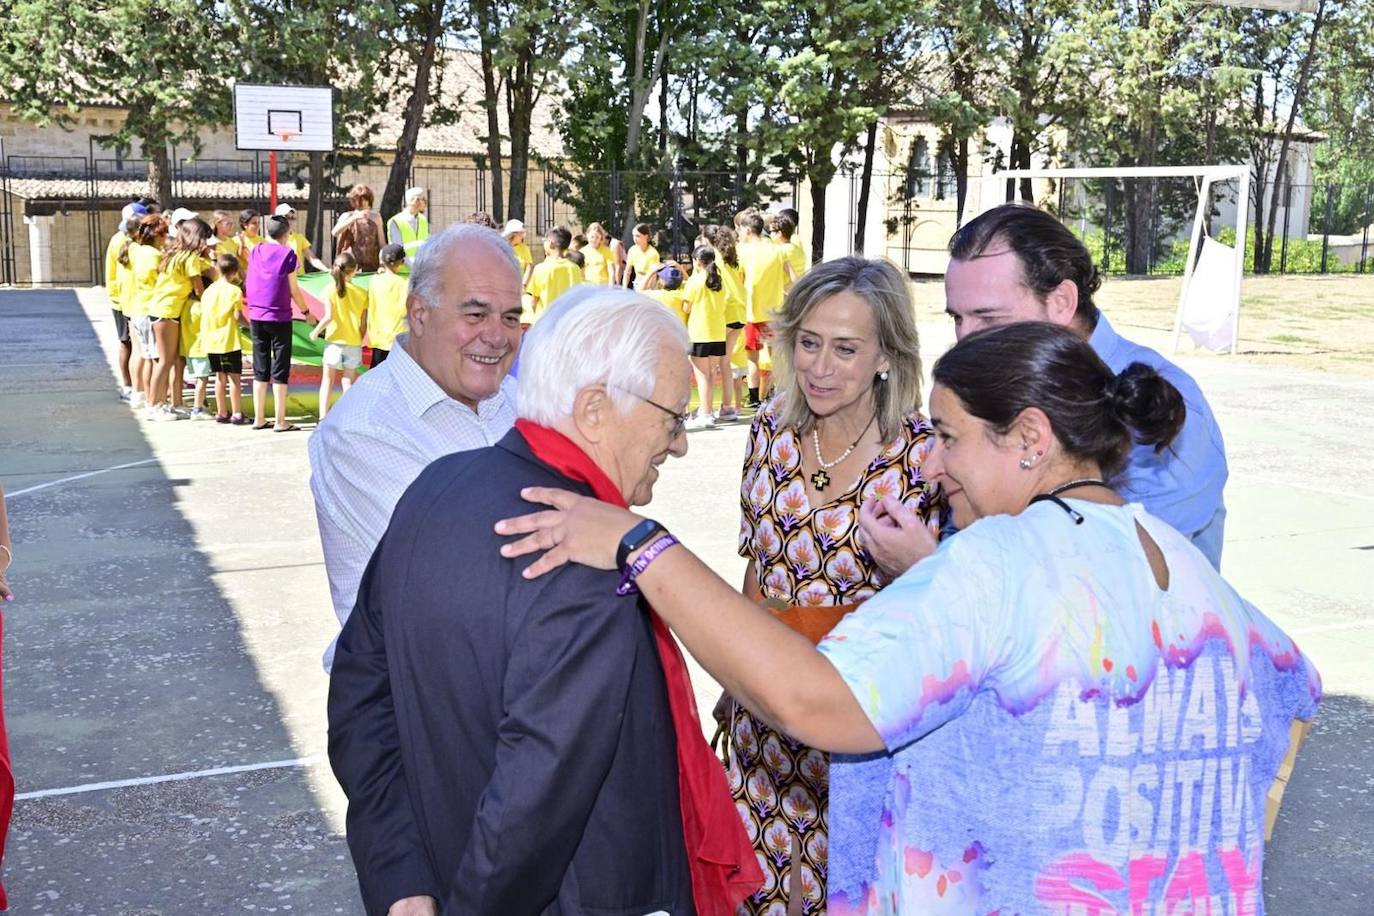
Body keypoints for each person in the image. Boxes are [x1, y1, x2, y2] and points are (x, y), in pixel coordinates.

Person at [496, 320, 1322, 916]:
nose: (930, 462)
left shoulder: (999, 562)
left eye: (949, 437)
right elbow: (1292, 692)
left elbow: (815, 702)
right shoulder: (1185, 569)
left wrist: (642, 546)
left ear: (1029, 438)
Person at [328, 286, 760, 916]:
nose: (680, 443)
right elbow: (533, 804)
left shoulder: (436, 487)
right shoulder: (584, 553)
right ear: (593, 411)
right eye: (672, 418)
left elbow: (360, 702)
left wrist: (402, 880)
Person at [942, 202, 1229, 568]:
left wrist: (931, 567)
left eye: (988, 317)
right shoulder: (998, 388)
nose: (965, 340)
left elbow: (1123, 574)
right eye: (957, 318)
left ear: (1061, 302)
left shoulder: (1161, 405)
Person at [309, 225, 523, 674]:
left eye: (509, 317)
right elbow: (468, 582)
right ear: (419, 314)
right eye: (476, 314)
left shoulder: (518, 401)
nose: (498, 336)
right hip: (419, 708)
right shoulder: (364, 430)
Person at [245, 214, 313, 432]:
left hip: (256, 315)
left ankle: (258, 417)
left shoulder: (255, 250)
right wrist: (306, 312)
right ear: (287, 235)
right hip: (280, 316)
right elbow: (294, 290)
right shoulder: (288, 254)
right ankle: (280, 420)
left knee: (260, 367)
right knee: (280, 367)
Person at [147, 217, 212, 421]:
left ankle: (174, 403)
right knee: (165, 361)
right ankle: (153, 405)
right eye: (205, 238)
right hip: (166, 312)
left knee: (175, 360)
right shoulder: (190, 258)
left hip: (167, 310)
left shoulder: (176, 254)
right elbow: (199, 288)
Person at [738, 211, 797, 405]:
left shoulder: (743, 251)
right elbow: (794, 279)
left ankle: (754, 397)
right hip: (774, 311)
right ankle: (777, 394)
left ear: (747, 230)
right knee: (776, 356)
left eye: (740, 229)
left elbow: (740, 281)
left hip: (752, 312)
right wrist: (784, 292)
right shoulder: (777, 250)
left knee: (752, 358)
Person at [310, 252, 367, 419]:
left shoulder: (329, 290)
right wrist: (359, 337)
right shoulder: (362, 293)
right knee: (348, 381)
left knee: (327, 380)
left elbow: (328, 317)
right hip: (353, 341)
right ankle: (346, 415)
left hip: (334, 341)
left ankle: (322, 416)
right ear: (355, 270)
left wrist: (315, 331)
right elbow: (363, 324)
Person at [700, 224, 747, 421]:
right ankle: (727, 407)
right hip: (740, 312)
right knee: (725, 362)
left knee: (710, 364)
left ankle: (707, 410)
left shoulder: (714, 260)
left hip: (725, 313)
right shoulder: (732, 258)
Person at [683, 245, 729, 428]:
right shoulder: (720, 280)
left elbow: (687, 307)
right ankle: (707, 410)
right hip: (718, 332)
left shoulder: (695, 281)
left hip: (700, 333)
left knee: (702, 375)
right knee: (710, 374)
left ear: (697, 261)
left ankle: (706, 413)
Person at [200, 253, 248, 424]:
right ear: (235, 272)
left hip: (211, 340)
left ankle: (221, 412)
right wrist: (250, 325)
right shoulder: (235, 291)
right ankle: (236, 413)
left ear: (218, 270)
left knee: (219, 377)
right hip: (229, 340)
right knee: (234, 378)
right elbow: (237, 316)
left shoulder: (208, 291)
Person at [105, 203, 144, 401]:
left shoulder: (132, 241)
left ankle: (135, 384)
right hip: (123, 299)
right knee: (127, 343)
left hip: (128, 298)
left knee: (133, 344)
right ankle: (128, 384)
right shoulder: (121, 241)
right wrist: (116, 298)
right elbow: (112, 273)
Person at [364, 244, 409, 368]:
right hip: (399, 340)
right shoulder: (406, 284)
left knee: (377, 377)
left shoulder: (373, 281)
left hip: (378, 338)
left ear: (381, 261)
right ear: (402, 262)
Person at [526, 224, 583, 319]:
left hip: (545, 319)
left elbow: (534, 301)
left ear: (551, 243)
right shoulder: (574, 268)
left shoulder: (540, 269)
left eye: (545, 240)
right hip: (567, 319)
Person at [332, 184, 384, 272]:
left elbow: (382, 243)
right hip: (350, 265)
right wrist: (354, 218)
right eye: (357, 200)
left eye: (363, 200)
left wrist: (382, 264)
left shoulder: (376, 217)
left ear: (369, 200)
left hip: (372, 265)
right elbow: (334, 232)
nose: (361, 203)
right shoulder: (347, 216)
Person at [274, 203, 328, 274]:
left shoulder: (299, 238)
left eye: (292, 218)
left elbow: (312, 258)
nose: (290, 221)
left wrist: (327, 270)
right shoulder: (271, 240)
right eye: (287, 217)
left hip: (300, 280)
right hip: (283, 280)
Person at [386, 187, 429, 273]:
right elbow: (397, 250)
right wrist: (415, 267)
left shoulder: (423, 220)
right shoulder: (395, 222)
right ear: (413, 201)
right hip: (403, 272)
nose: (426, 202)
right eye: (423, 199)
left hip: (420, 272)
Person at [623, 222, 660, 290]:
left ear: (646, 236)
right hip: (637, 284)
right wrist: (624, 288)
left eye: (638, 236)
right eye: (633, 235)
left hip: (650, 287)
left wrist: (643, 290)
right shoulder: (632, 250)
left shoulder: (653, 253)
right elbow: (627, 272)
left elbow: (653, 277)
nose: (635, 238)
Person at [582, 221, 618, 286]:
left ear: (601, 238)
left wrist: (611, 287)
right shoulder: (582, 252)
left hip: (603, 287)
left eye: (597, 237)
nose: (594, 240)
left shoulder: (607, 251)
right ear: (587, 235)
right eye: (592, 237)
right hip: (587, 286)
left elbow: (611, 271)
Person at [502, 218, 535, 289]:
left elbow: (529, 267)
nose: (523, 236)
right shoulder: (503, 248)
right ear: (513, 234)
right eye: (521, 234)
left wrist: (524, 284)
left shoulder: (525, 249)